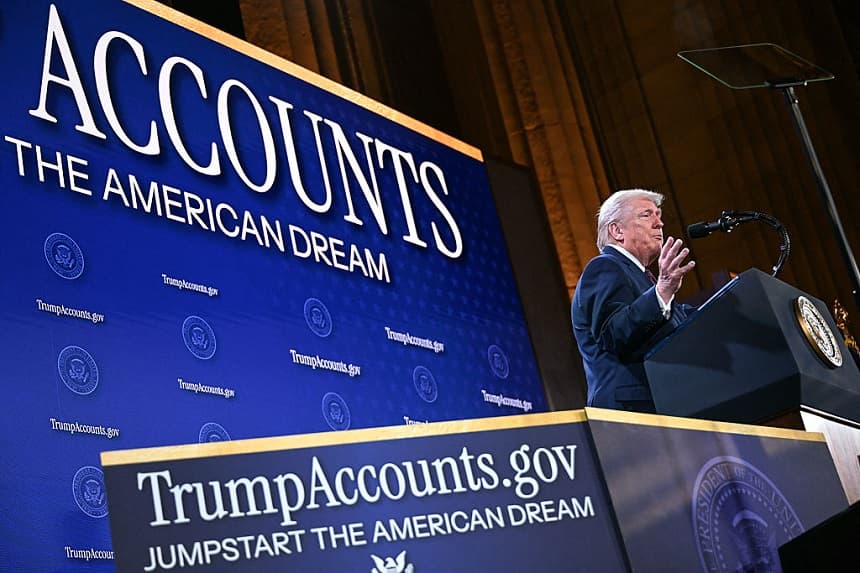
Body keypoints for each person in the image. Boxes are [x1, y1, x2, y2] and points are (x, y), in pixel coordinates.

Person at [571, 189, 696, 413]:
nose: (659, 223)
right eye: (646, 215)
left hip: (665, 406)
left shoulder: (645, 280)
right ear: (617, 230)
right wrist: (662, 291)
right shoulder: (604, 266)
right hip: (630, 410)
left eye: (658, 215)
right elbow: (614, 333)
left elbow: (684, 320)